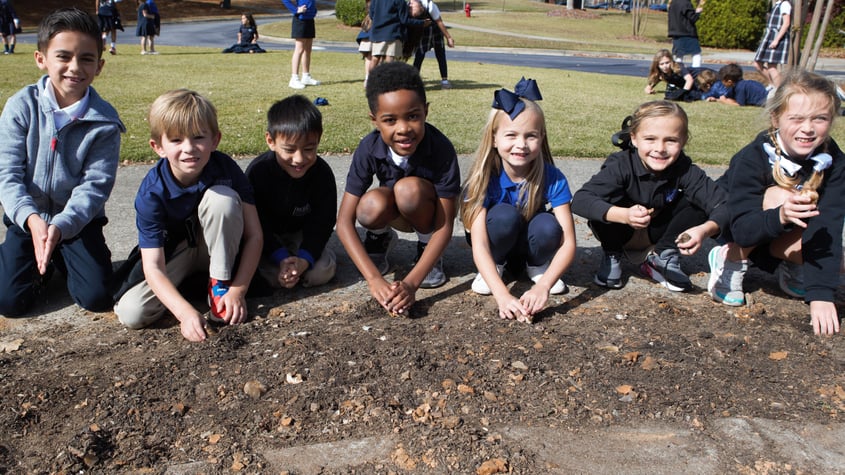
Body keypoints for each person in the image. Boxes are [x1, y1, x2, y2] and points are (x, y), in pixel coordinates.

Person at [0, 8, 124, 316]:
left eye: (86, 58)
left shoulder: (104, 121)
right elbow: (7, 174)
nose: (74, 67)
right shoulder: (20, 107)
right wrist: (31, 218)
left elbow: (95, 186)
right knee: (10, 303)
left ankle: (61, 257)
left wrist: (62, 225)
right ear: (41, 59)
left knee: (96, 297)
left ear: (100, 66)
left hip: (77, 222)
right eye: (63, 56)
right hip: (28, 219)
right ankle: (32, 263)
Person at [113, 89, 262, 342]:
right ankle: (189, 290)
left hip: (217, 252)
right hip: (176, 253)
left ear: (215, 140)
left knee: (221, 199)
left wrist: (239, 290)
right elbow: (153, 266)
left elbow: (255, 235)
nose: (189, 148)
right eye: (176, 140)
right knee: (132, 313)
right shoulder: (152, 192)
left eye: (198, 137)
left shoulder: (226, 168)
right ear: (158, 147)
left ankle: (219, 287)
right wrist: (184, 313)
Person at [708, 70, 845, 335]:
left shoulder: (835, 161)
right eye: (796, 118)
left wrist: (821, 294)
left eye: (820, 118)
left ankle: (792, 267)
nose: (808, 128)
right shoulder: (752, 157)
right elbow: (742, 227)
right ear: (776, 118)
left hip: (777, 229)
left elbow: (830, 221)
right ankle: (731, 259)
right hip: (735, 228)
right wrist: (781, 215)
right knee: (781, 196)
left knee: (838, 260)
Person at [336, 62, 460, 316]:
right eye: (390, 120)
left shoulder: (441, 149)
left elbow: (446, 224)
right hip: (394, 211)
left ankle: (428, 253)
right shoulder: (368, 148)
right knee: (370, 205)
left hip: (428, 217)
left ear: (426, 111)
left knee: (408, 190)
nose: (403, 128)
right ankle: (379, 238)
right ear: (375, 121)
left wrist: (411, 284)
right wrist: (373, 280)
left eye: (413, 116)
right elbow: (344, 222)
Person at [571, 100, 728, 292]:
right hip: (620, 231)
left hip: (659, 231)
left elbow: (724, 205)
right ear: (634, 138)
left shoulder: (685, 169)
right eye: (650, 139)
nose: (660, 148)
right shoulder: (621, 165)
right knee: (603, 201)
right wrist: (623, 215)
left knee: (698, 201)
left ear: (684, 140)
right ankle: (612, 254)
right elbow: (580, 200)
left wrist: (704, 230)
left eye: (670, 140)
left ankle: (663, 255)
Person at [460, 78, 576, 323]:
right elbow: (479, 243)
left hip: (529, 243)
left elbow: (568, 242)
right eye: (511, 135)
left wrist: (544, 286)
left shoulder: (552, 177)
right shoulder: (482, 178)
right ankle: (494, 268)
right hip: (494, 244)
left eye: (530, 136)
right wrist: (503, 295)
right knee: (503, 216)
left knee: (548, 224)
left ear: (542, 138)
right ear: (493, 138)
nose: (521, 145)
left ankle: (536, 266)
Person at [246, 95, 336, 291]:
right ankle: (285, 272)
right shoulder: (258, 172)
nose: (299, 158)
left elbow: (323, 222)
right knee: (264, 273)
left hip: (300, 234)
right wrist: (280, 257)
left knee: (321, 272)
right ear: (270, 141)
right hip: (266, 237)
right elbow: (255, 223)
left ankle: (297, 270)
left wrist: (304, 259)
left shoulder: (322, 174)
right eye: (289, 149)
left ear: (318, 140)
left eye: (309, 149)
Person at [409, 0, 455, 90]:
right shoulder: (410, 5)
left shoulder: (430, 6)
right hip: (422, 32)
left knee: (440, 55)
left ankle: (444, 81)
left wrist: (448, 37)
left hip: (435, 31)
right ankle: (413, 80)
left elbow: (439, 22)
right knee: (419, 56)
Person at [368, 0, 424, 68]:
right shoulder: (400, 1)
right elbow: (404, 20)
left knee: (375, 58)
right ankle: (388, 78)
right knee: (390, 59)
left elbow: (371, 15)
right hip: (393, 33)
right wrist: (422, 22)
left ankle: (369, 77)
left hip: (378, 33)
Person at [283, 0, 320, 89]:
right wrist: (296, 10)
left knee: (308, 50)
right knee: (299, 49)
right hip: (300, 19)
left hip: (309, 19)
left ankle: (306, 76)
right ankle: (294, 79)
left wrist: (314, 10)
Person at [754, 0, 791, 88]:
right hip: (769, 36)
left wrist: (776, 39)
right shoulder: (778, 4)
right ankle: (773, 85)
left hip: (776, 36)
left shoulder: (785, 4)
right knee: (757, 64)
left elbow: (786, 23)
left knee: (772, 67)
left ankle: (778, 90)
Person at [667, 0, 704, 68]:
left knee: (679, 55)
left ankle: (678, 71)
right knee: (696, 54)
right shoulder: (686, 3)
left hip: (676, 33)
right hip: (687, 33)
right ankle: (696, 71)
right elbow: (692, 18)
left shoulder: (673, 3)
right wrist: (698, 12)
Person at [356, 0, 373, 88]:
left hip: (371, 26)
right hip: (371, 27)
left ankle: (368, 78)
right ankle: (368, 78)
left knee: (370, 56)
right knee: (370, 56)